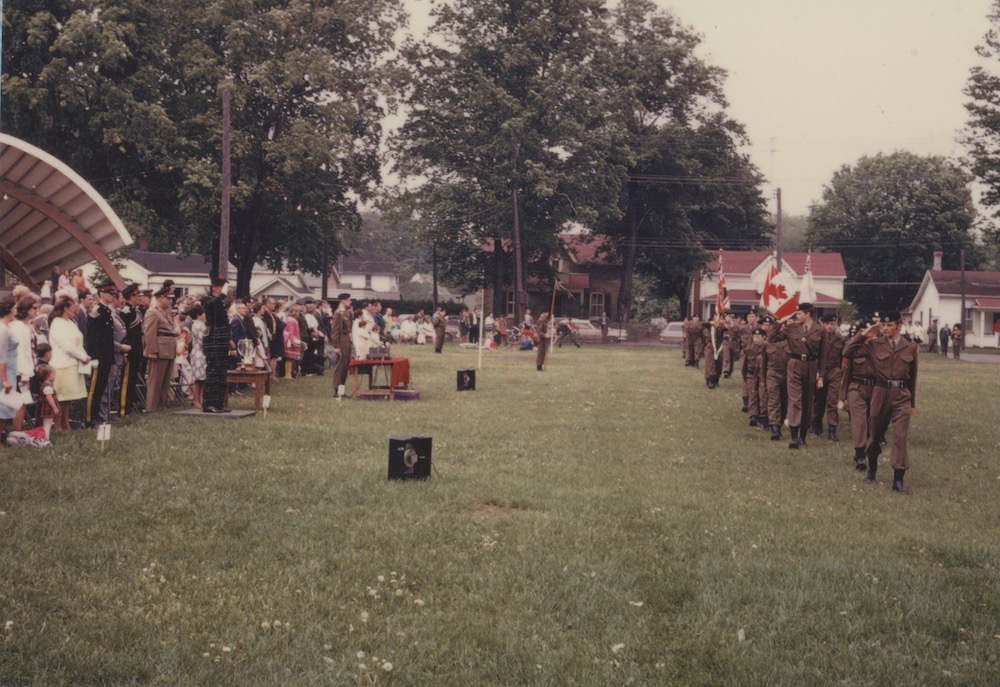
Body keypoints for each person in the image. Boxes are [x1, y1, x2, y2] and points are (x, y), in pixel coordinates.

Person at [843, 310, 918, 493]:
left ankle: (898, 479)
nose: (885, 328)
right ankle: (872, 469)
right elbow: (848, 351)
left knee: (900, 436)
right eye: (883, 325)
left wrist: (912, 403)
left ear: (899, 326)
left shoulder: (910, 347)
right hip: (880, 393)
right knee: (875, 436)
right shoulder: (874, 345)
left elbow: (912, 377)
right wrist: (866, 333)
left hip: (901, 395)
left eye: (889, 325)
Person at [767, 302, 825, 449]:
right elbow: (771, 338)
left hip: (811, 366)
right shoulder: (792, 327)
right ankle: (793, 437)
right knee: (795, 400)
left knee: (807, 401)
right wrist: (780, 321)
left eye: (799, 313)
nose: (797, 316)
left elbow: (823, 355)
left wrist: (821, 375)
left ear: (808, 314)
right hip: (794, 364)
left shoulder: (819, 330)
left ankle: (802, 437)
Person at [48, 296, 91, 430]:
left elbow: (78, 343)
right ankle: (58, 424)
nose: (75, 310)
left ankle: (66, 423)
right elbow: (66, 346)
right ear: (65, 309)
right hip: (62, 364)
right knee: (61, 397)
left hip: (73, 363)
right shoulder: (57, 323)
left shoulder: (71, 322)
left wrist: (84, 356)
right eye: (73, 307)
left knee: (69, 398)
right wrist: (82, 357)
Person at [85, 280, 118, 427]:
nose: (113, 295)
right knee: (95, 389)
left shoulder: (106, 311)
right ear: (101, 293)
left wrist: (110, 359)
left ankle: (97, 416)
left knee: (101, 387)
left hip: (105, 356)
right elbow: (92, 337)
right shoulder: (97, 311)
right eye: (110, 293)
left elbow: (108, 338)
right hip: (98, 356)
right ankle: (90, 418)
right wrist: (95, 356)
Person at [142, 281, 179, 413]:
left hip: (168, 349)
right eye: (168, 298)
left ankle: (161, 407)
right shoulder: (153, 312)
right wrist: (152, 350)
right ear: (160, 298)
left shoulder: (165, 312)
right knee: (155, 382)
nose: (170, 301)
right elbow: (149, 333)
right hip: (159, 350)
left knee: (165, 382)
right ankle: (151, 408)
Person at [812, 312, 845, 441]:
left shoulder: (840, 339)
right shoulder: (817, 338)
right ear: (822, 324)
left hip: (834, 371)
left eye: (832, 324)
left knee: (832, 401)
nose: (830, 326)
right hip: (820, 371)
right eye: (827, 324)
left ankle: (832, 430)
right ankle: (816, 423)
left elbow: (842, 358)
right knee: (818, 400)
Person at [202, 276, 231, 413]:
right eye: (218, 287)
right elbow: (213, 302)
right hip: (214, 338)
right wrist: (223, 294)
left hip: (221, 339)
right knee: (213, 371)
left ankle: (218, 402)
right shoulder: (209, 300)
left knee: (221, 371)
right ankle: (209, 403)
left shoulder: (219, 302)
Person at [0, 296, 27, 436]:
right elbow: (1, 356)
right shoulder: (3, 330)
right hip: (5, 371)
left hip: (9, 368)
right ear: (9, 309)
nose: (16, 310)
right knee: (2, 407)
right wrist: (4, 380)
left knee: (5, 406)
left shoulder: (6, 327)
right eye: (14, 308)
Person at [329, 293, 353, 399]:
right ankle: (336, 391)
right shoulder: (338, 313)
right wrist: (336, 346)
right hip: (341, 340)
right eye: (348, 300)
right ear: (342, 301)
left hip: (347, 340)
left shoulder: (346, 313)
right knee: (340, 366)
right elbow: (335, 331)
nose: (350, 302)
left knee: (345, 367)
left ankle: (341, 391)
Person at [35, 364, 59, 440]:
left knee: (47, 424)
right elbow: (49, 398)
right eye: (53, 373)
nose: (55, 375)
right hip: (48, 408)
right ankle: (45, 439)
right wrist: (55, 408)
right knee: (47, 425)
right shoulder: (47, 387)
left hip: (46, 408)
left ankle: (44, 438)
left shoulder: (45, 385)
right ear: (48, 375)